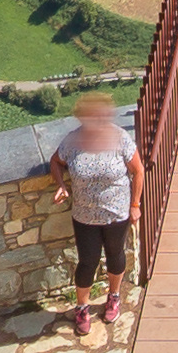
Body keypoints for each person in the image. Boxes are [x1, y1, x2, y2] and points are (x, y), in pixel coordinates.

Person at [50, 93, 141, 339]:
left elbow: (138, 170)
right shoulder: (72, 141)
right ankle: (82, 308)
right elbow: (55, 162)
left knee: (115, 255)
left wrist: (135, 204)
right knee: (87, 261)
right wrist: (61, 185)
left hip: (116, 213)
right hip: (85, 216)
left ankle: (113, 298)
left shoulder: (120, 138)